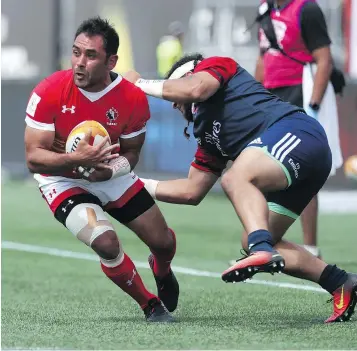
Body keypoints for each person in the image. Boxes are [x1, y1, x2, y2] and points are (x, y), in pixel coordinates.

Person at [124, 53, 357, 323]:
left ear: (188, 75)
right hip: (299, 159)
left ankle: (262, 250)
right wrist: (132, 183)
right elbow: (191, 190)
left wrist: (139, 83)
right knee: (252, 237)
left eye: (176, 95)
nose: (175, 105)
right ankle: (340, 283)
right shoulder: (207, 134)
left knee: (236, 179)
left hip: (300, 135)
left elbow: (196, 88)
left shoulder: (215, 66)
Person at [24, 17, 178, 323]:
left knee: (164, 243)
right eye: (76, 52)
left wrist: (110, 172)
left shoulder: (132, 98)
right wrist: (76, 160)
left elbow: (132, 152)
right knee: (106, 243)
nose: (80, 63)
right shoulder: (50, 91)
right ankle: (149, 304)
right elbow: (33, 158)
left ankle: (162, 267)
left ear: (111, 61)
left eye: (90, 55)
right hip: (62, 179)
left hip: (110, 175)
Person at [253, 0, 344, 258]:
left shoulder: (307, 9)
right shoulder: (265, 10)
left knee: (304, 170)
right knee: (261, 167)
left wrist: (313, 106)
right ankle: (260, 243)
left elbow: (324, 59)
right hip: (271, 97)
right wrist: (255, 96)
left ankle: (311, 248)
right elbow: (263, 57)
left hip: (300, 92)